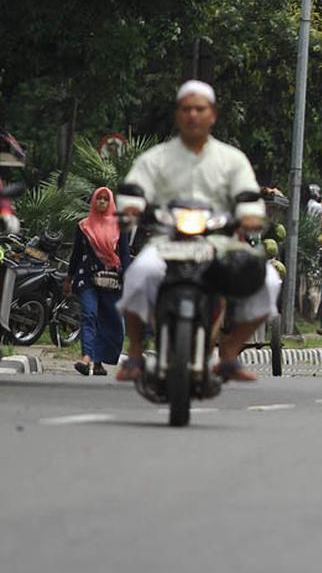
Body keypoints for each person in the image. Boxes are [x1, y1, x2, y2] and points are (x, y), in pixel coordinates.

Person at [116, 80, 279, 383]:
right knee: (139, 274)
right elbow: (135, 187)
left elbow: (247, 194)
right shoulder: (156, 158)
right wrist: (131, 207)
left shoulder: (232, 159)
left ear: (212, 115)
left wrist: (250, 217)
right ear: (177, 115)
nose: (193, 115)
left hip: (220, 242)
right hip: (167, 240)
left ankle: (229, 352)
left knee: (268, 280)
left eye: (199, 109)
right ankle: (135, 353)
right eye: (186, 109)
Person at [65, 187, 132, 376]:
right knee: (89, 314)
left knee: (111, 321)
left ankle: (99, 361)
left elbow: (124, 254)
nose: (101, 202)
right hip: (87, 277)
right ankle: (86, 358)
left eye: (105, 199)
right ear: (93, 202)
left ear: (110, 202)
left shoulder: (120, 226)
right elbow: (76, 254)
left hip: (112, 279)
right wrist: (69, 278)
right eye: (98, 199)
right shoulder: (83, 226)